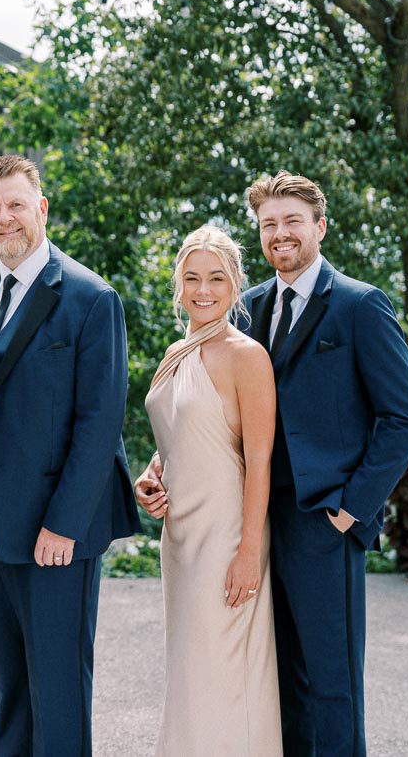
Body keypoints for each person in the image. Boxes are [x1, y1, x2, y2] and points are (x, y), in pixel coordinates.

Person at [142, 172, 408, 757]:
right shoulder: (246, 310)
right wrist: (159, 468)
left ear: (320, 226)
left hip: (323, 523)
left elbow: (404, 419)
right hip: (247, 521)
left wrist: (350, 511)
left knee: (331, 687)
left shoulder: (360, 306)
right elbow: (210, 411)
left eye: (293, 221)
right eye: (269, 224)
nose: (281, 233)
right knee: (274, 687)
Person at [0, 154, 140, 757]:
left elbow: (99, 422)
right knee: (11, 689)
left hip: (54, 530)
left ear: (40, 208)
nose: (4, 219)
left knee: (59, 694)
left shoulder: (90, 297)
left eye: (15, 205)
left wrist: (63, 523)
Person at [136, 225, 280, 757]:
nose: (203, 289)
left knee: (224, 670)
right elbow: (175, 437)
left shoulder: (248, 356)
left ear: (235, 285)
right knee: (190, 670)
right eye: (192, 277)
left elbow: (258, 458)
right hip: (180, 537)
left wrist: (248, 551)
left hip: (226, 534)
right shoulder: (176, 351)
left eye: (216, 278)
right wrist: (149, 478)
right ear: (179, 284)